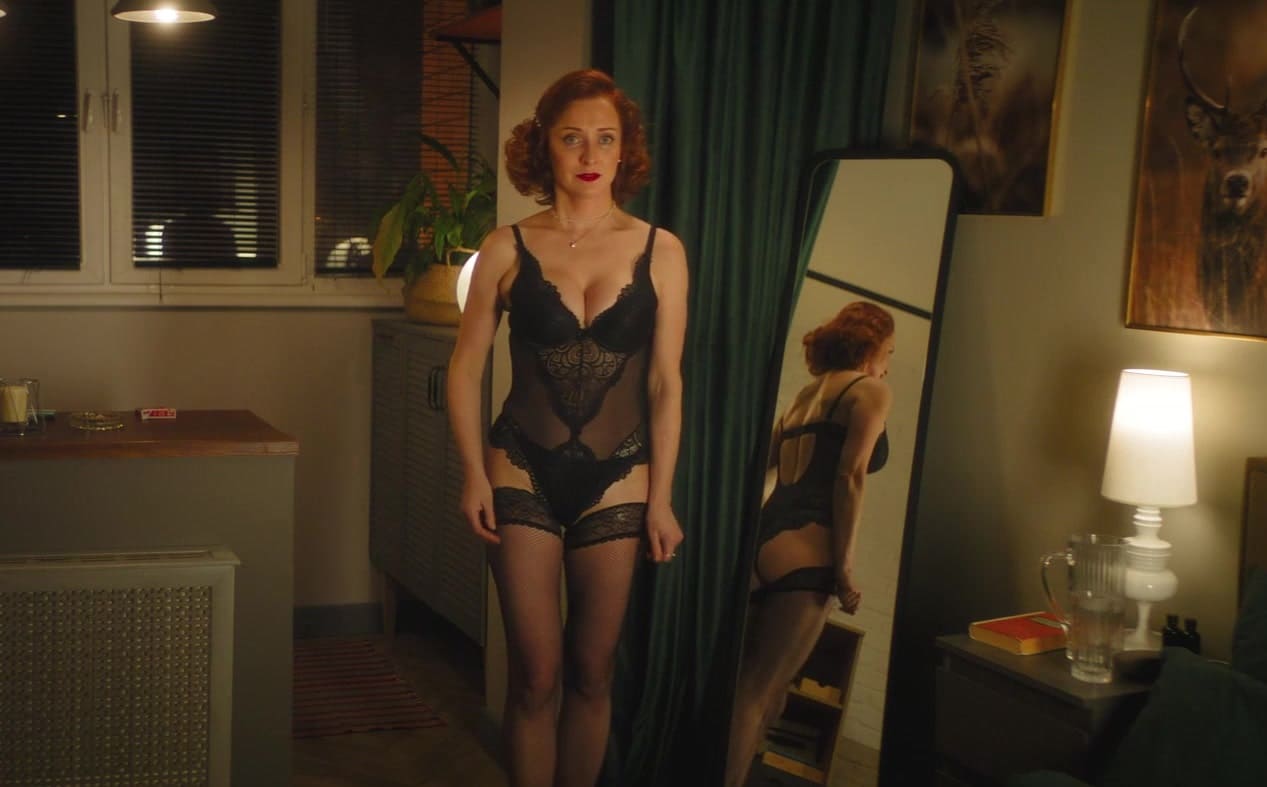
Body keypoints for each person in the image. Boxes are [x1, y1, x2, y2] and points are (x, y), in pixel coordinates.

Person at [446, 69, 688, 787]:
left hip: (622, 475)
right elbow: (464, 368)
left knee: (591, 672)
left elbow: (665, 382)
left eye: (605, 139)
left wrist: (662, 498)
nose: (589, 154)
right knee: (535, 678)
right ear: (543, 146)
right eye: (571, 137)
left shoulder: (662, 250)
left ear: (624, 151)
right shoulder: (505, 246)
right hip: (519, 466)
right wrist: (471, 475)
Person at [724, 301, 895, 787]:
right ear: (871, 349)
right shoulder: (871, 391)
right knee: (756, 692)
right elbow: (850, 476)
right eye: (888, 353)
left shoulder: (803, 396)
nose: (888, 365)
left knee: (764, 691)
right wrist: (844, 567)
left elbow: (765, 469)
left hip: (766, 538)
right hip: (810, 548)